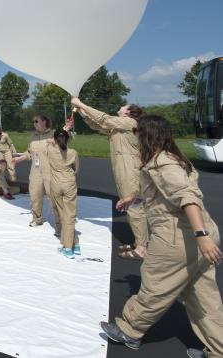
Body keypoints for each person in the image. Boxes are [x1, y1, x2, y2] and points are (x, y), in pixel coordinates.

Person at [100, 115, 223, 358]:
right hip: (198, 238)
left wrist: (201, 235)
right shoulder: (173, 158)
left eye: (137, 132)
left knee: (156, 284)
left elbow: (187, 197)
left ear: (147, 136)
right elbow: (164, 190)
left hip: (178, 237)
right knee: (203, 298)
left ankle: (129, 330)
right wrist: (135, 196)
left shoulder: (161, 163)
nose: (134, 136)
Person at [71, 97, 148, 261]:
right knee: (130, 207)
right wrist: (83, 113)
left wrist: (81, 104)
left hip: (130, 168)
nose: (120, 107)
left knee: (134, 207)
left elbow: (104, 118)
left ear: (128, 112)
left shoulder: (130, 123)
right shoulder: (119, 126)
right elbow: (98, 125)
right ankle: (139, 242)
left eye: (123, 106)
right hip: (122, 167)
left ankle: (142, 248)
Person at [14, 114, 58, 229]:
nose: (34, 124)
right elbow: (29, 152)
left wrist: (67, 130)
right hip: (36, 171)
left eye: (36, 121)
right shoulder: (33, 136)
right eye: (33, 122)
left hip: (51, 170)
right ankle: (36, 218)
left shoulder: (54, 134)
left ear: (44, 121)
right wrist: (19, 159)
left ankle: (60, 223)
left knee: (54, 197)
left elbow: (64, 144)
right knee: (35, 196)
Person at [46, 129, 80, 258]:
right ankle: (74, 243)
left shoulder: (50, 150)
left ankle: (68, 247)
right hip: (69, 183)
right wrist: (67, 133)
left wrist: (61, 133)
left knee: (63, 216)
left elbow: (49, 141)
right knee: (70, 216)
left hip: (56, 185)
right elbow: (76, 169)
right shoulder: (73, 153)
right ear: (68, 139)